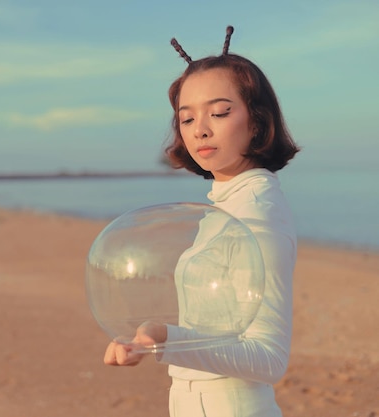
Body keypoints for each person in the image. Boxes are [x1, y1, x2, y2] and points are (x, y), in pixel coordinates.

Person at [103, 26, 301, 417]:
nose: (201, 130)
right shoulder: (223, 207)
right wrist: (147, 339)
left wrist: (162, 337)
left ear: (257, 121)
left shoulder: (257, 212)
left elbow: (268, 359)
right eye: (187, 118)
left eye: (220, 112)